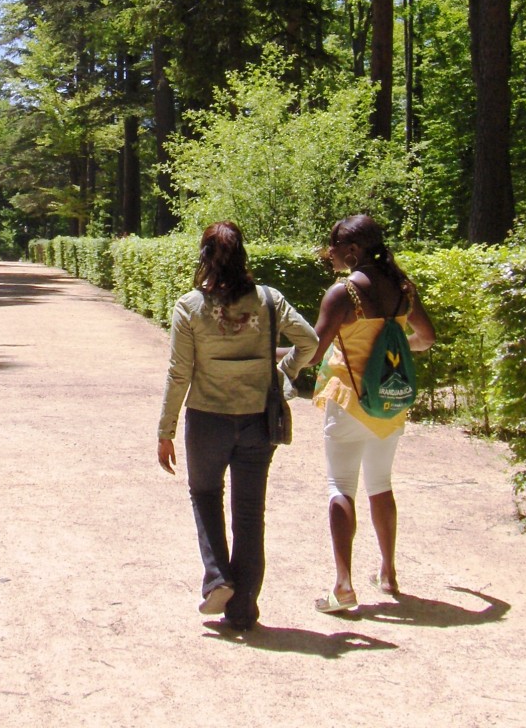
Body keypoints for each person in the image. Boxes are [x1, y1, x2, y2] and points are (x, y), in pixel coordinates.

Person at [157, 221, 319, 631]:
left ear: (204, 257)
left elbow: (180, 373)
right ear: (243, 253)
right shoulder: (268, 300)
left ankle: (218, 579)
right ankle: (244, 608)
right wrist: (283, 373)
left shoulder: (189, 306)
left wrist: (166, 430)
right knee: (249, 513)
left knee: (205, 495)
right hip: (256, 420)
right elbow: (310, 341)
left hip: (207, 420)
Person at [309, 214, 436, 613]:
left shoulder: (343, 293)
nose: (329, 254)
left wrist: (264, 353)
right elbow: (426, 338)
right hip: (389, 401)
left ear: (352, 251)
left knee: (340, 486)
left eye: (333, 247)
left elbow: (311, 353)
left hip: (349, 400)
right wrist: (392, 354)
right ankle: (388, 572)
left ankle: (343, 585)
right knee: (381, 484)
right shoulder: (400, 287)